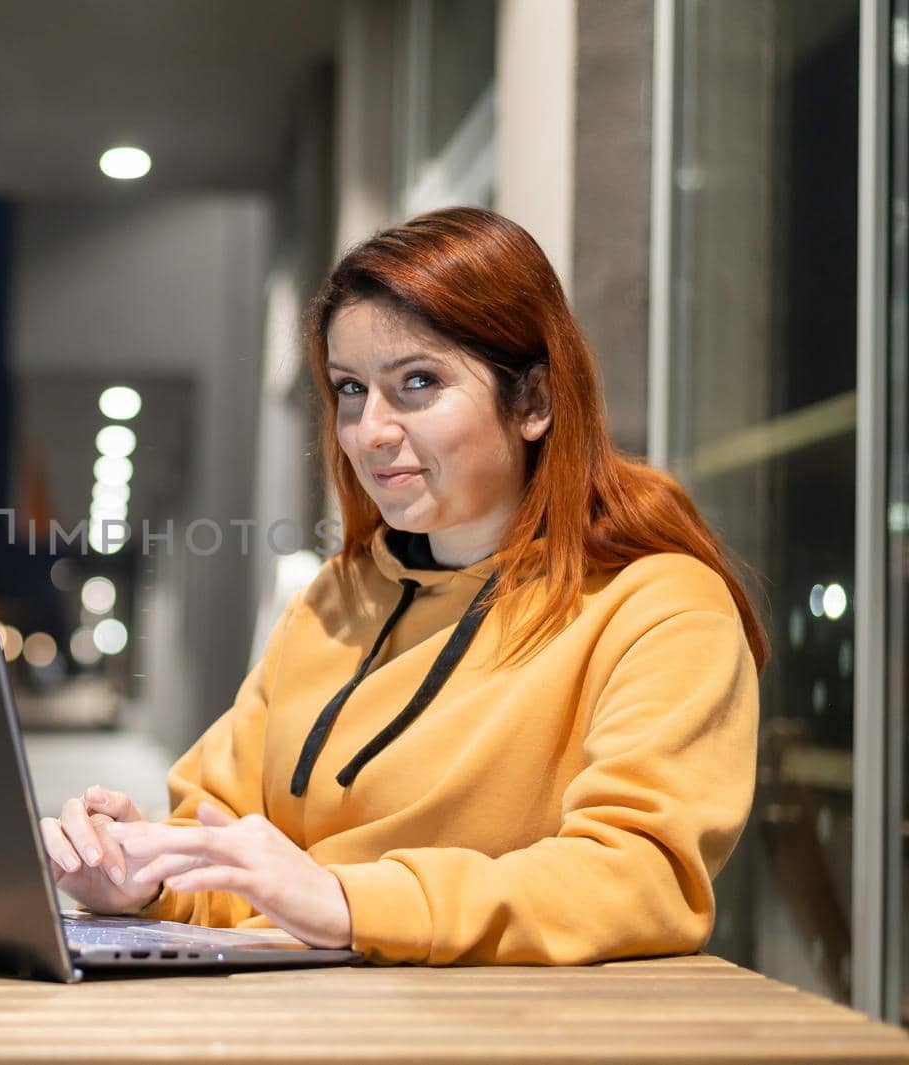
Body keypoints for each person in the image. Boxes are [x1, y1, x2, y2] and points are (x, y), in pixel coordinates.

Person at [38, 206, 768, 966]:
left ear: (534, 402)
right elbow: (227, 849)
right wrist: (142, 876)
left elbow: (643, 877)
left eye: (417, 382)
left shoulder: (660, 608)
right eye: (351, 390)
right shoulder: (337, 599)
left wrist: (350, 903)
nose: (369, 430)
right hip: (293, 1016)